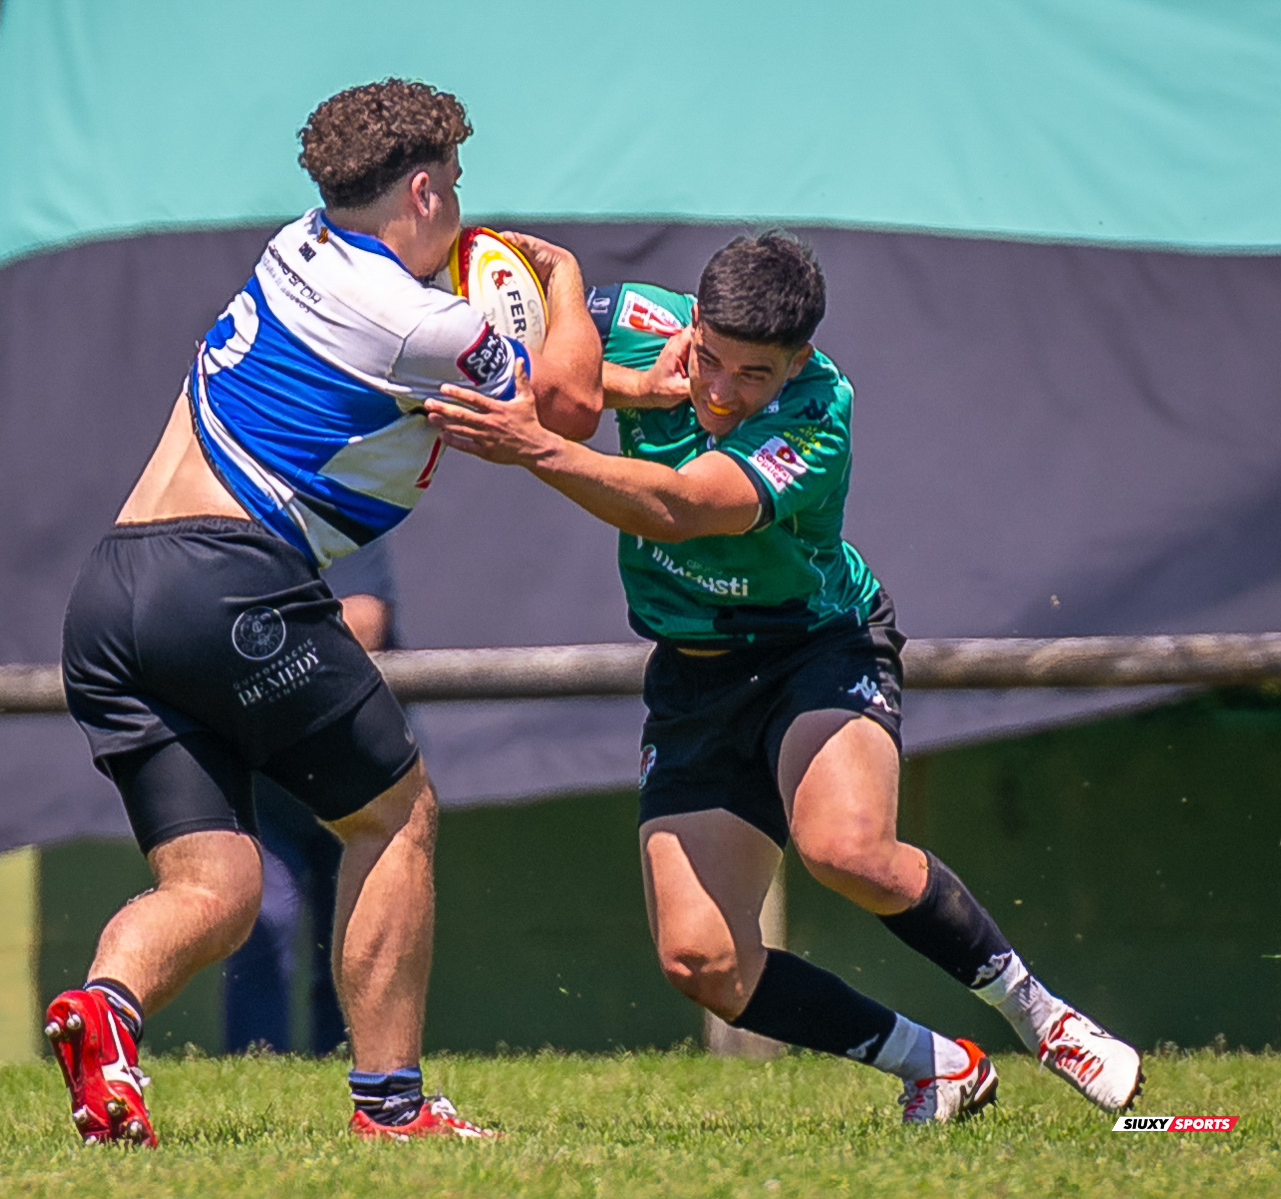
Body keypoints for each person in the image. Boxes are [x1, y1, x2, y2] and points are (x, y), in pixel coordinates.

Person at [425, 232, 1142, 1124]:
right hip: (692, 674)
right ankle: (940, 1065)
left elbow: (681, 507)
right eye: (710, 362)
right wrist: (582, 309)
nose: (720, 393)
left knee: (845, 847)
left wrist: (533, 447)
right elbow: (549, 384)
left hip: (817, 647)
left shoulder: (818, 408)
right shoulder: (637, 323)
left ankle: (1043, 1019)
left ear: (795, 360)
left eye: (750, 377)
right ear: (693, 318)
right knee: (702, 963)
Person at [49, 79, 602, 1145]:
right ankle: (392, 1106)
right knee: (395, 814)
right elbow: (563, 410)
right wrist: (565, 280)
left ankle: (104, 1013)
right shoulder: (419, 318)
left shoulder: (297, 245)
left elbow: (456, 379)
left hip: (113, 592)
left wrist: (651, 384)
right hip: (227, 577)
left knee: (219, 882)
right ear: (429, 188)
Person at [222, 542, 398, 1057]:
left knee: (354, 941)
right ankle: (255, 1074)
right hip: (261, 783)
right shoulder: (224, 536)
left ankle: (364, 1078)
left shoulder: (340, 516)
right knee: (261, 929)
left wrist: (255, 654)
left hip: (355, 778)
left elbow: (363, 625)